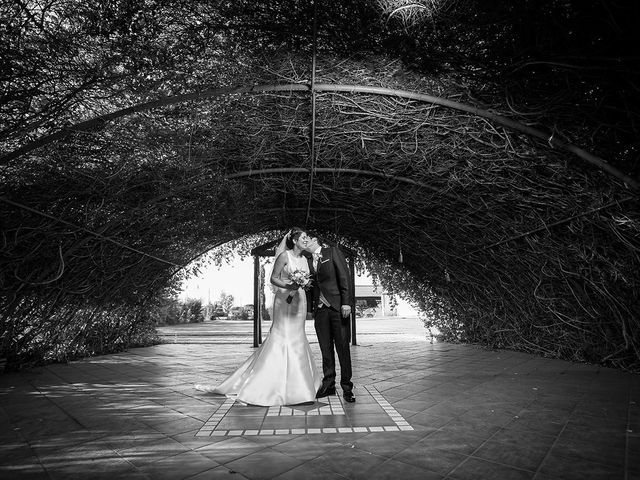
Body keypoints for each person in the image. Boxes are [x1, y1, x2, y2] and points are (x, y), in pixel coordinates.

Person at [195, 227, 321, 406]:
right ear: (294, 240)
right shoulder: (284, 256)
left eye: (307, 237)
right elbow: (273, 278)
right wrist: (290, 284)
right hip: (284, 300)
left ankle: (299, 386)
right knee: (281, 338)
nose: (306, 239)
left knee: (298, 338)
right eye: (303, 237)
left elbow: (308, 281)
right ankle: (267, 385)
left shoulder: (305, 260)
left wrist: (302, 283)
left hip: (299, 301)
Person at [304, 233, 355, 403]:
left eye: (307, 240)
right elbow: (310, 287)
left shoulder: (332, 252)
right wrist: (311, 309)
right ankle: (329, 385)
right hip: (320, 311)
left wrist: (346, 302)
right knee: (326, 350)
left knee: (342, 348)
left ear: (315, 241)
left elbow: (344, 277)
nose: (305, 243)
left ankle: (347, 387)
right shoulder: (307, 261)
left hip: (338, 308)